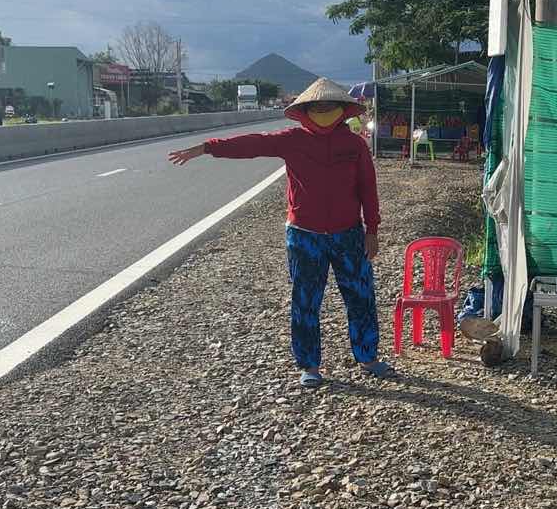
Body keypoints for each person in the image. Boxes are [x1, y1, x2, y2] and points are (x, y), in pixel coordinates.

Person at [168, 78, 393, 387]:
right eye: (318, 106)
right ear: (305, 111)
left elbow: (368, 187)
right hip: (304, 235)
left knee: (361, 297)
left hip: (348, 235)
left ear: (343, 110)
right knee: (305, 301)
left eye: (330, 106)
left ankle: (368, 357)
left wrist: (373, 229)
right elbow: (252, 144)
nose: (324, 111)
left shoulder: (354, 144)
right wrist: (207, 148)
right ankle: (309, 366)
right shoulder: (291, 140)